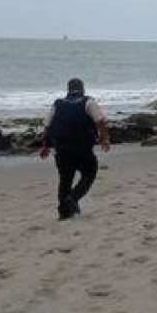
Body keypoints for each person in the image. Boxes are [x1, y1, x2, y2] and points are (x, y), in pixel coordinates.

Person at [39, 78, 111, 220]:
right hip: (82, 148)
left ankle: (64, 212)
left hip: (61, 149)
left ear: (68, 89)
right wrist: (104, 139)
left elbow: (48, 126)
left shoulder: (58, 103)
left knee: (65, 179)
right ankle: (73, 198)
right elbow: (100, 120)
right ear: (82, 89)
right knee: (89, 173)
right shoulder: (88, 101)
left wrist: (45, 146)